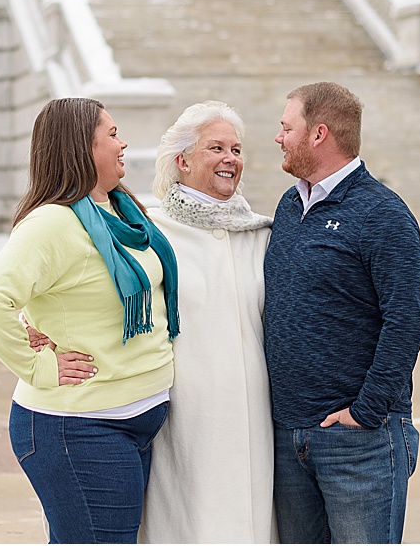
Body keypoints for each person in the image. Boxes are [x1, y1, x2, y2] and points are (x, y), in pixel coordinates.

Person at [0, 97, 180, 545]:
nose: (124, 144)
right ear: (82, 148)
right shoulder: (54, 223)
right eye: (113, 135)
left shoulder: (124, 211)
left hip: (134, 418)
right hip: (80, 427)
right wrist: (39, 366)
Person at [262, 81, 420, 544]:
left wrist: (367, 411)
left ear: (318, 134)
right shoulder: (290, 204)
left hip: (358, 443)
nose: (278, 137)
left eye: (286, 126)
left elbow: (407, 321)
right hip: (289, 438)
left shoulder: (383, 213)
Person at [137, 101, 275, 543]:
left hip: (257, 417)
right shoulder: (148, 232)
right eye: (216, 147)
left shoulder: (263, 235)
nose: (230, 158)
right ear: (183, 160)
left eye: (236, 149)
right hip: (182, 417)